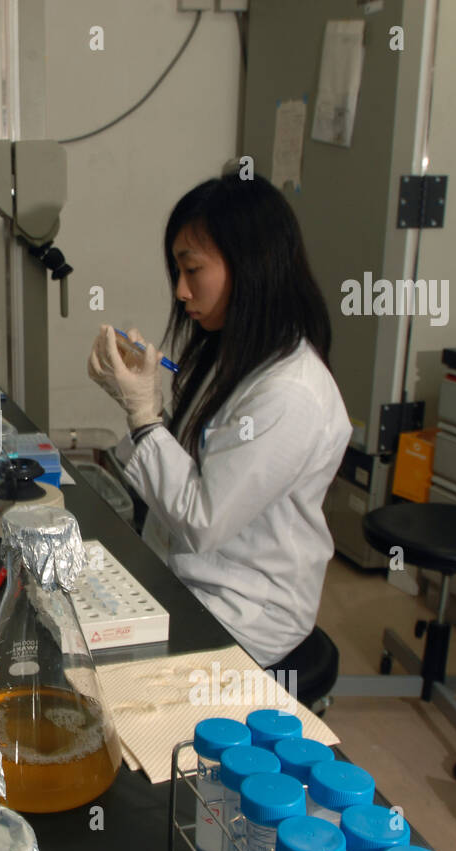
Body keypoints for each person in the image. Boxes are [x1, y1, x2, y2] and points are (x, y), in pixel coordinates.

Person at [87, 173, 350, 670]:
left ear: (249, 267)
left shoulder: (290, 393)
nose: (181, 291)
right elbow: (195, 467)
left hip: (244, 610)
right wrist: (144, 405)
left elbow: (204, 519)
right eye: (176, 271)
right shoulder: (234, 354)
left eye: (193, 270)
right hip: (191, 578)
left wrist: (144, 420)